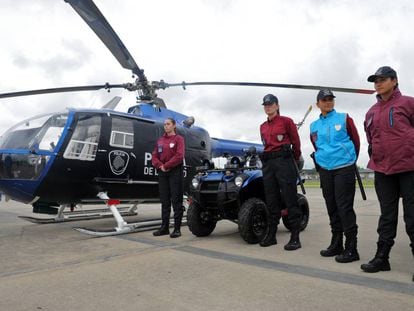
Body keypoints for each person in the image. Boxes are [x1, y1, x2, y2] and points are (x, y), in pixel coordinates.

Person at [361, 66, 414, 275]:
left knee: (412, 216)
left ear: (394, 81)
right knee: (387, 216)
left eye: (382, 79)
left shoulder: (408, 103)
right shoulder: (371, 112)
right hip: (382, 169)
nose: (378, 83)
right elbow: (370, 137)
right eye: (376, 80)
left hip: (409, 167)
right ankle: (382, 258)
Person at [310, 89, 360, 263]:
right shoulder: (313, 126)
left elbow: (356, 141)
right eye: (324, 100)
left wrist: (349, 159)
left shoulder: (344, 118)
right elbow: (316, 145)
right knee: (331, 206)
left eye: (331, 99)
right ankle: (336, 243)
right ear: (318, 104)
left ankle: (351, 247)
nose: (328, 102)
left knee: (344, 207)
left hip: (344, 167)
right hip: (325, 169)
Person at [259, 94, 303, 250]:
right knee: (271, 198)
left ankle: (295, 236)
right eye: (265, 104)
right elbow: (265, 144)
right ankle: (272, 234)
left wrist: (295, 159)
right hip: (269, 163)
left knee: (290, 197)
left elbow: (296, 143)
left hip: (284, 162)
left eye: (270, 104)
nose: (268, 106)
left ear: (277, 106)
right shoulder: (262, 126)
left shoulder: (287, 121)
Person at [151, 118, 185, 238]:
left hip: (175, 172)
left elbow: (179, 156)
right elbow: (154, 156)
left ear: (174, 126)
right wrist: (160, 165)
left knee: (176, 200)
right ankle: (164, 227)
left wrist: (167, 165)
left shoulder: (178, 139)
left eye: (168, 124)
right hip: (162, 173)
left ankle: (176, 229)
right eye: (164, 124)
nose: (166, 126)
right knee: (165, 201)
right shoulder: (160, 140)